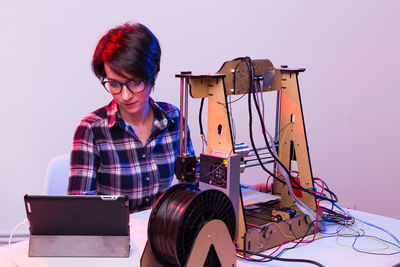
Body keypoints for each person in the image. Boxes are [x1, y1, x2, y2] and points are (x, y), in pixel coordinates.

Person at [68, 22, 195, 213]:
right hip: (112, 236)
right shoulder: (91, 129)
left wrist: (245, 191)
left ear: (154, 75)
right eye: (114, 84)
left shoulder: (173, 119)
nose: (125, 96)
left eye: (135, 83)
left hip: (162, 233)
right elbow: (78, 210)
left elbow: (194, 183)